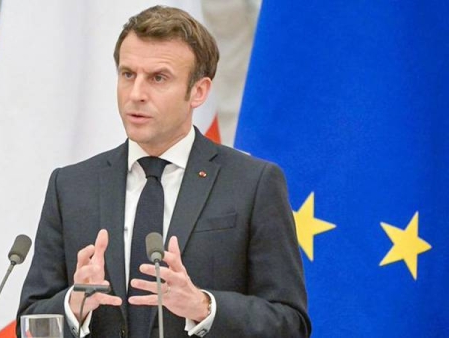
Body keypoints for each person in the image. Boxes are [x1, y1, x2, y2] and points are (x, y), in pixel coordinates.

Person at [17, 5, 310, 338]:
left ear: (198, 92)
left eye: (158, 78)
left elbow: (290, 324)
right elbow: (30, 321)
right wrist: (73, 305)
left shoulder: (252, 183)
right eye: (128, 74)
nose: (137, 94)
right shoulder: (70, 186)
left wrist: (203, 307)